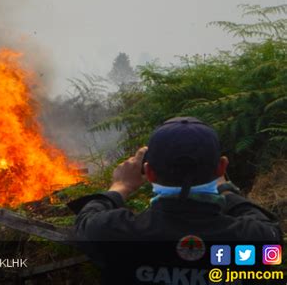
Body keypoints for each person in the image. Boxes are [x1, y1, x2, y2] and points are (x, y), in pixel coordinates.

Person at [70, 117, 282, 284]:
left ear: (149, 173)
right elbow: (264, 226)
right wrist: (225, 188)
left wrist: (120, 187)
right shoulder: (255, 239)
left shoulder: (114, 233)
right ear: (222, 167)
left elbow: (86, 220)